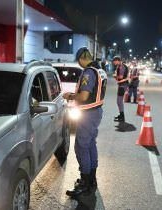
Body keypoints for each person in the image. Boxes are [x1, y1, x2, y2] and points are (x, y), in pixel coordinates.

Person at [63, 47, 106, 198]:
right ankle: (92, 179)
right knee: (90, 145)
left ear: (82, 58)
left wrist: (70, 96)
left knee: (81, 147)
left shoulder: (88, 72)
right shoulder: (100, 70)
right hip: (96, 113)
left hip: (87, 114)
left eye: (78, 61)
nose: (79, 64)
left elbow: (83, 96)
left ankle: (84, 183)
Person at [112, 56, 129, 122]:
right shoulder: (120, 66)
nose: (114, 63)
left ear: (117, 61)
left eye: (114, 61)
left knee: (119, 101)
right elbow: (119, 78)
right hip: (121, 84)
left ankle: (122, 116)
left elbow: (121, 77)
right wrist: (116, 77)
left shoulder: (121, 67)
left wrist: (115, 76)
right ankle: (121, 115)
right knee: (119, 101)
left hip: (123, 85)